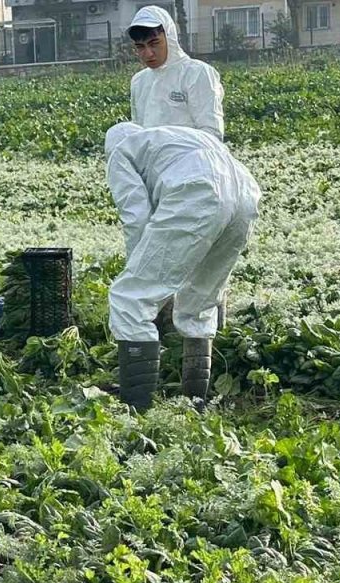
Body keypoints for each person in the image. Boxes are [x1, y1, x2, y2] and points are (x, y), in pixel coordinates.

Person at [104, 122, 261, 411]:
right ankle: (195, 404)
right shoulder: (170, 140)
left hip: (198, 187)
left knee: (129, 299)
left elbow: (136, 217)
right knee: (199, 302)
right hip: (245, 192)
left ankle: (137, 413)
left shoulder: (121, 151)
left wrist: (144, 278)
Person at [128, 5, 225, 140]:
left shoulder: (197, 74)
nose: (148, 54)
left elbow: (212, 133)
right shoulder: (139, 81)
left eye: (154, 43)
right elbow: (138, 132)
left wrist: (172, 149)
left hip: (191, 158)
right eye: (140, 47)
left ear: (169, 37)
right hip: (152, 159)